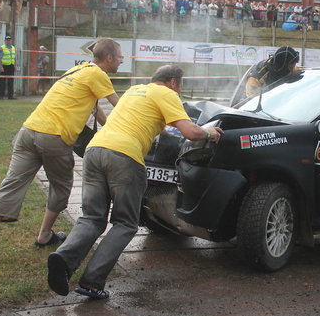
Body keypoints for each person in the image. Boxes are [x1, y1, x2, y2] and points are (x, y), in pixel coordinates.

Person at [47, 65, 223, 299]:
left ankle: (64, 258)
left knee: (92, 217)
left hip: (95, 151)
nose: (179, 91)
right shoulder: (167, 94)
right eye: (180, 86)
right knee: (125, 223)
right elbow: (190, 132)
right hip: (124, 157)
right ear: (173, 82)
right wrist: (211, 134)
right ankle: (92, 282)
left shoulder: (134, 91)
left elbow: (157, 128)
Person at [0, 38, 122, 260]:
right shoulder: (98, 74)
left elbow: (95, 108)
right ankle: (44, 235)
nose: (121, 62)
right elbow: (119, 105)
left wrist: (109, 128)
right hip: (54, 136)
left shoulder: (77, 70)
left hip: (28, 131)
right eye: (120, 58)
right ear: (108, 58)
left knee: (11, 183)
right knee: (61, 186)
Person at [229, 46, 300, 106]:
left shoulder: (285, 67)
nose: (291, 70)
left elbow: (297, 70)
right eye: (290, 68)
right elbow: (253, 103)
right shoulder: (256, 78)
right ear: (283, 64)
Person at [0, 35, 17, 99]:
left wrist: (15, 66)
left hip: (11, 66)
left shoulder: (13, 48)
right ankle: (1, 96)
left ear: (11, 41)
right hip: (4, 66)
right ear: (5, 41)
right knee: (2, 81)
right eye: (7, 40)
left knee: (11, 81)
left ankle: (10, 96)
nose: (8, 41)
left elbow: (15, 58)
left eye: (9, 40)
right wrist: (1, 66)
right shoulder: (2, 47)